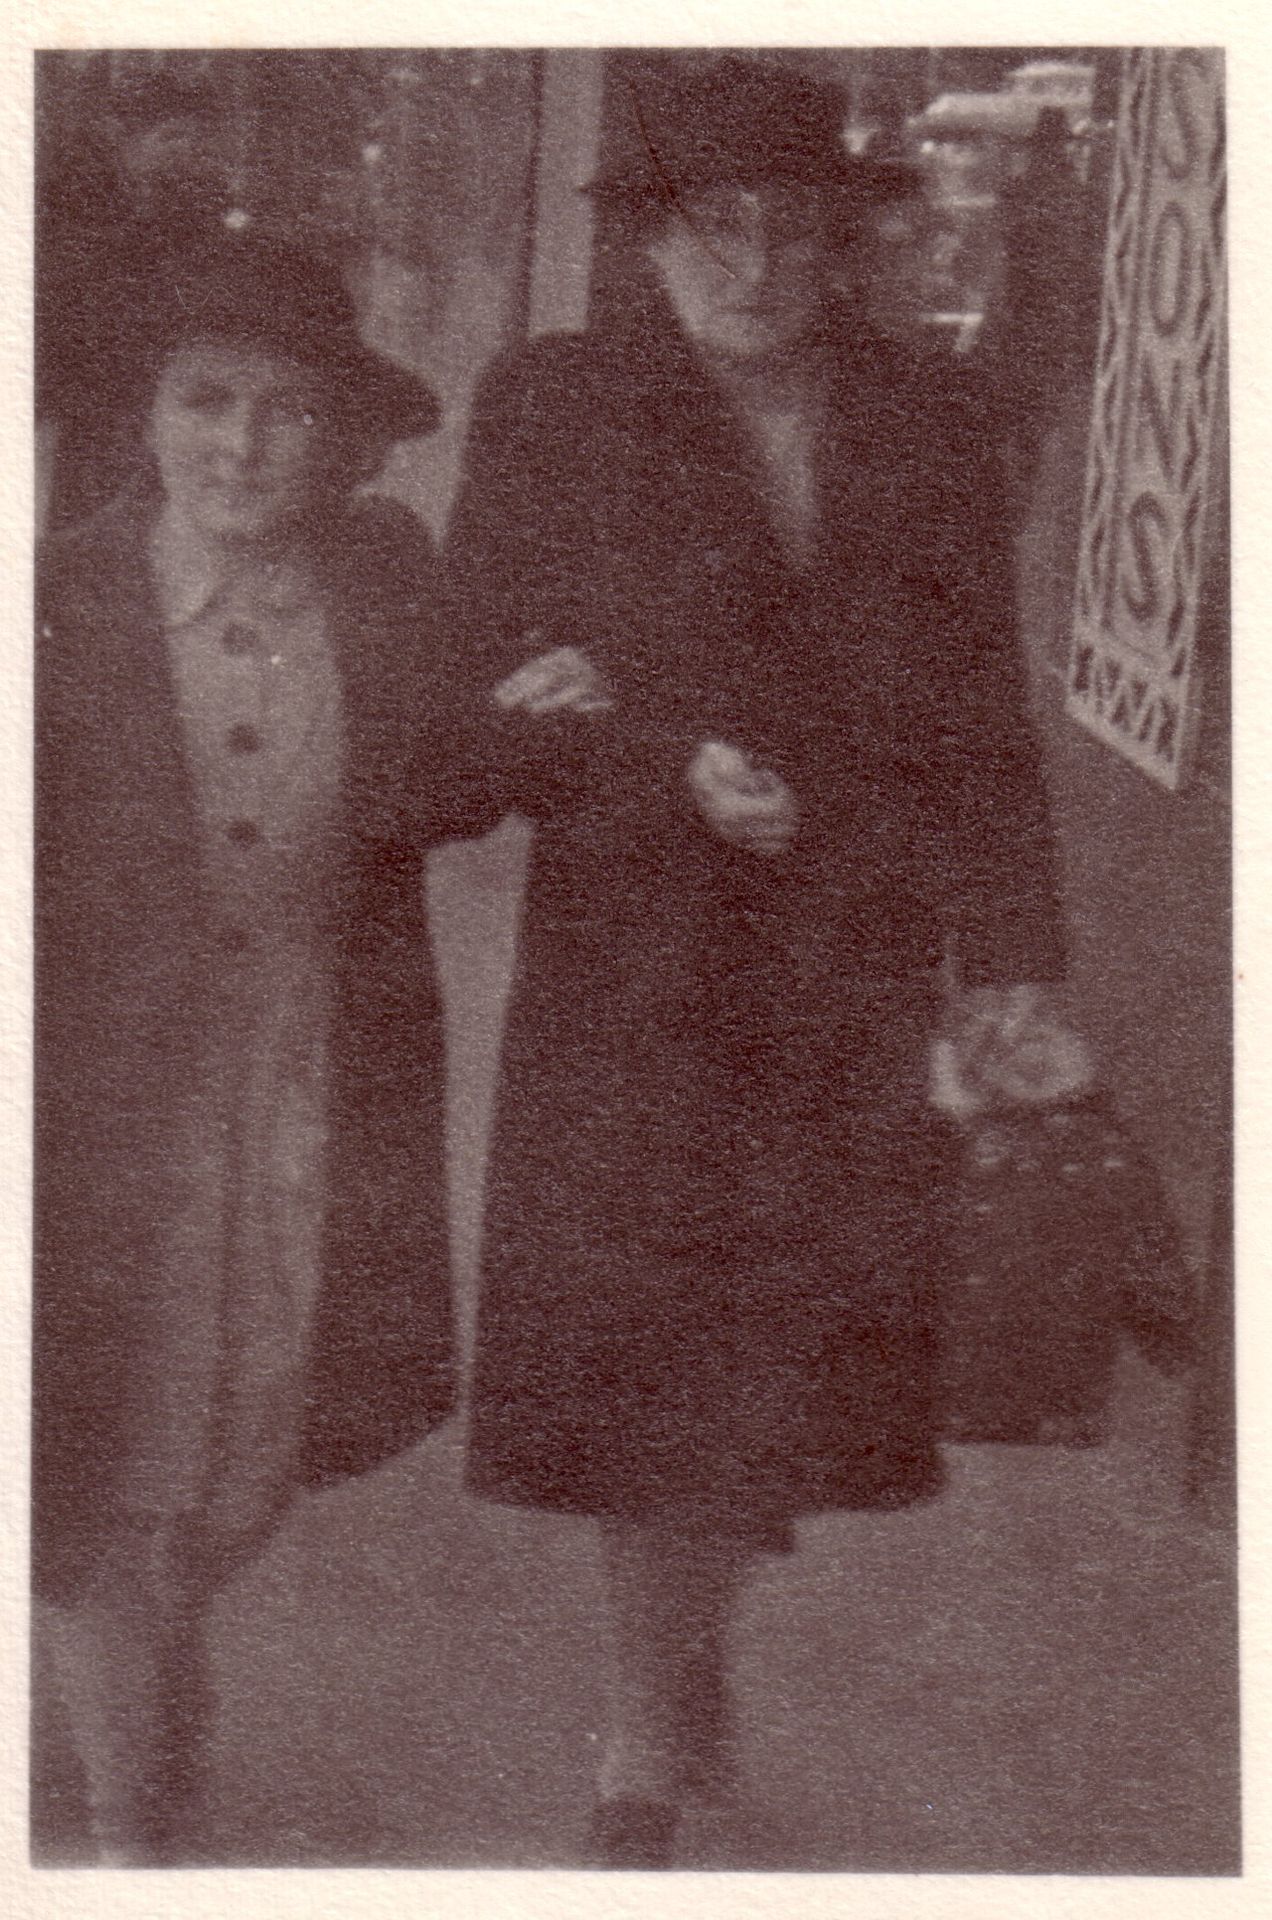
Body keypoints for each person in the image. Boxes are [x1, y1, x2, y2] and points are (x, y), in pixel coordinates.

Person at [443, 56, 1082, 1867]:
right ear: (649, 242)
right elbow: (481, 689)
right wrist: (655, 766)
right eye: (713, 228)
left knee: (783, 1350)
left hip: (856, 954)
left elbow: (982, 722)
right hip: (637, 958)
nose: (755, 266)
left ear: (852, 248)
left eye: (795, 232)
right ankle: (645, 1730)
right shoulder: (556, 404)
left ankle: (688, 1651)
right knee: (648, 1343)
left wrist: (1017, 984)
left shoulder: (936, 419)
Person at [34, 231, 454, 1864]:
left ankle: (143, 1688)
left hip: (304, 1080)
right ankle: (137, 1831)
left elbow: (455, 765)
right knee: (95, 1453)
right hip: (93, 1108)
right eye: (205, 402)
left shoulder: (384, 577)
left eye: (285, 414)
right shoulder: (55, 602)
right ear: (142, 413)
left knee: (248, 1446)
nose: (239, 446)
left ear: (340, 441)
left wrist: (584, 728)